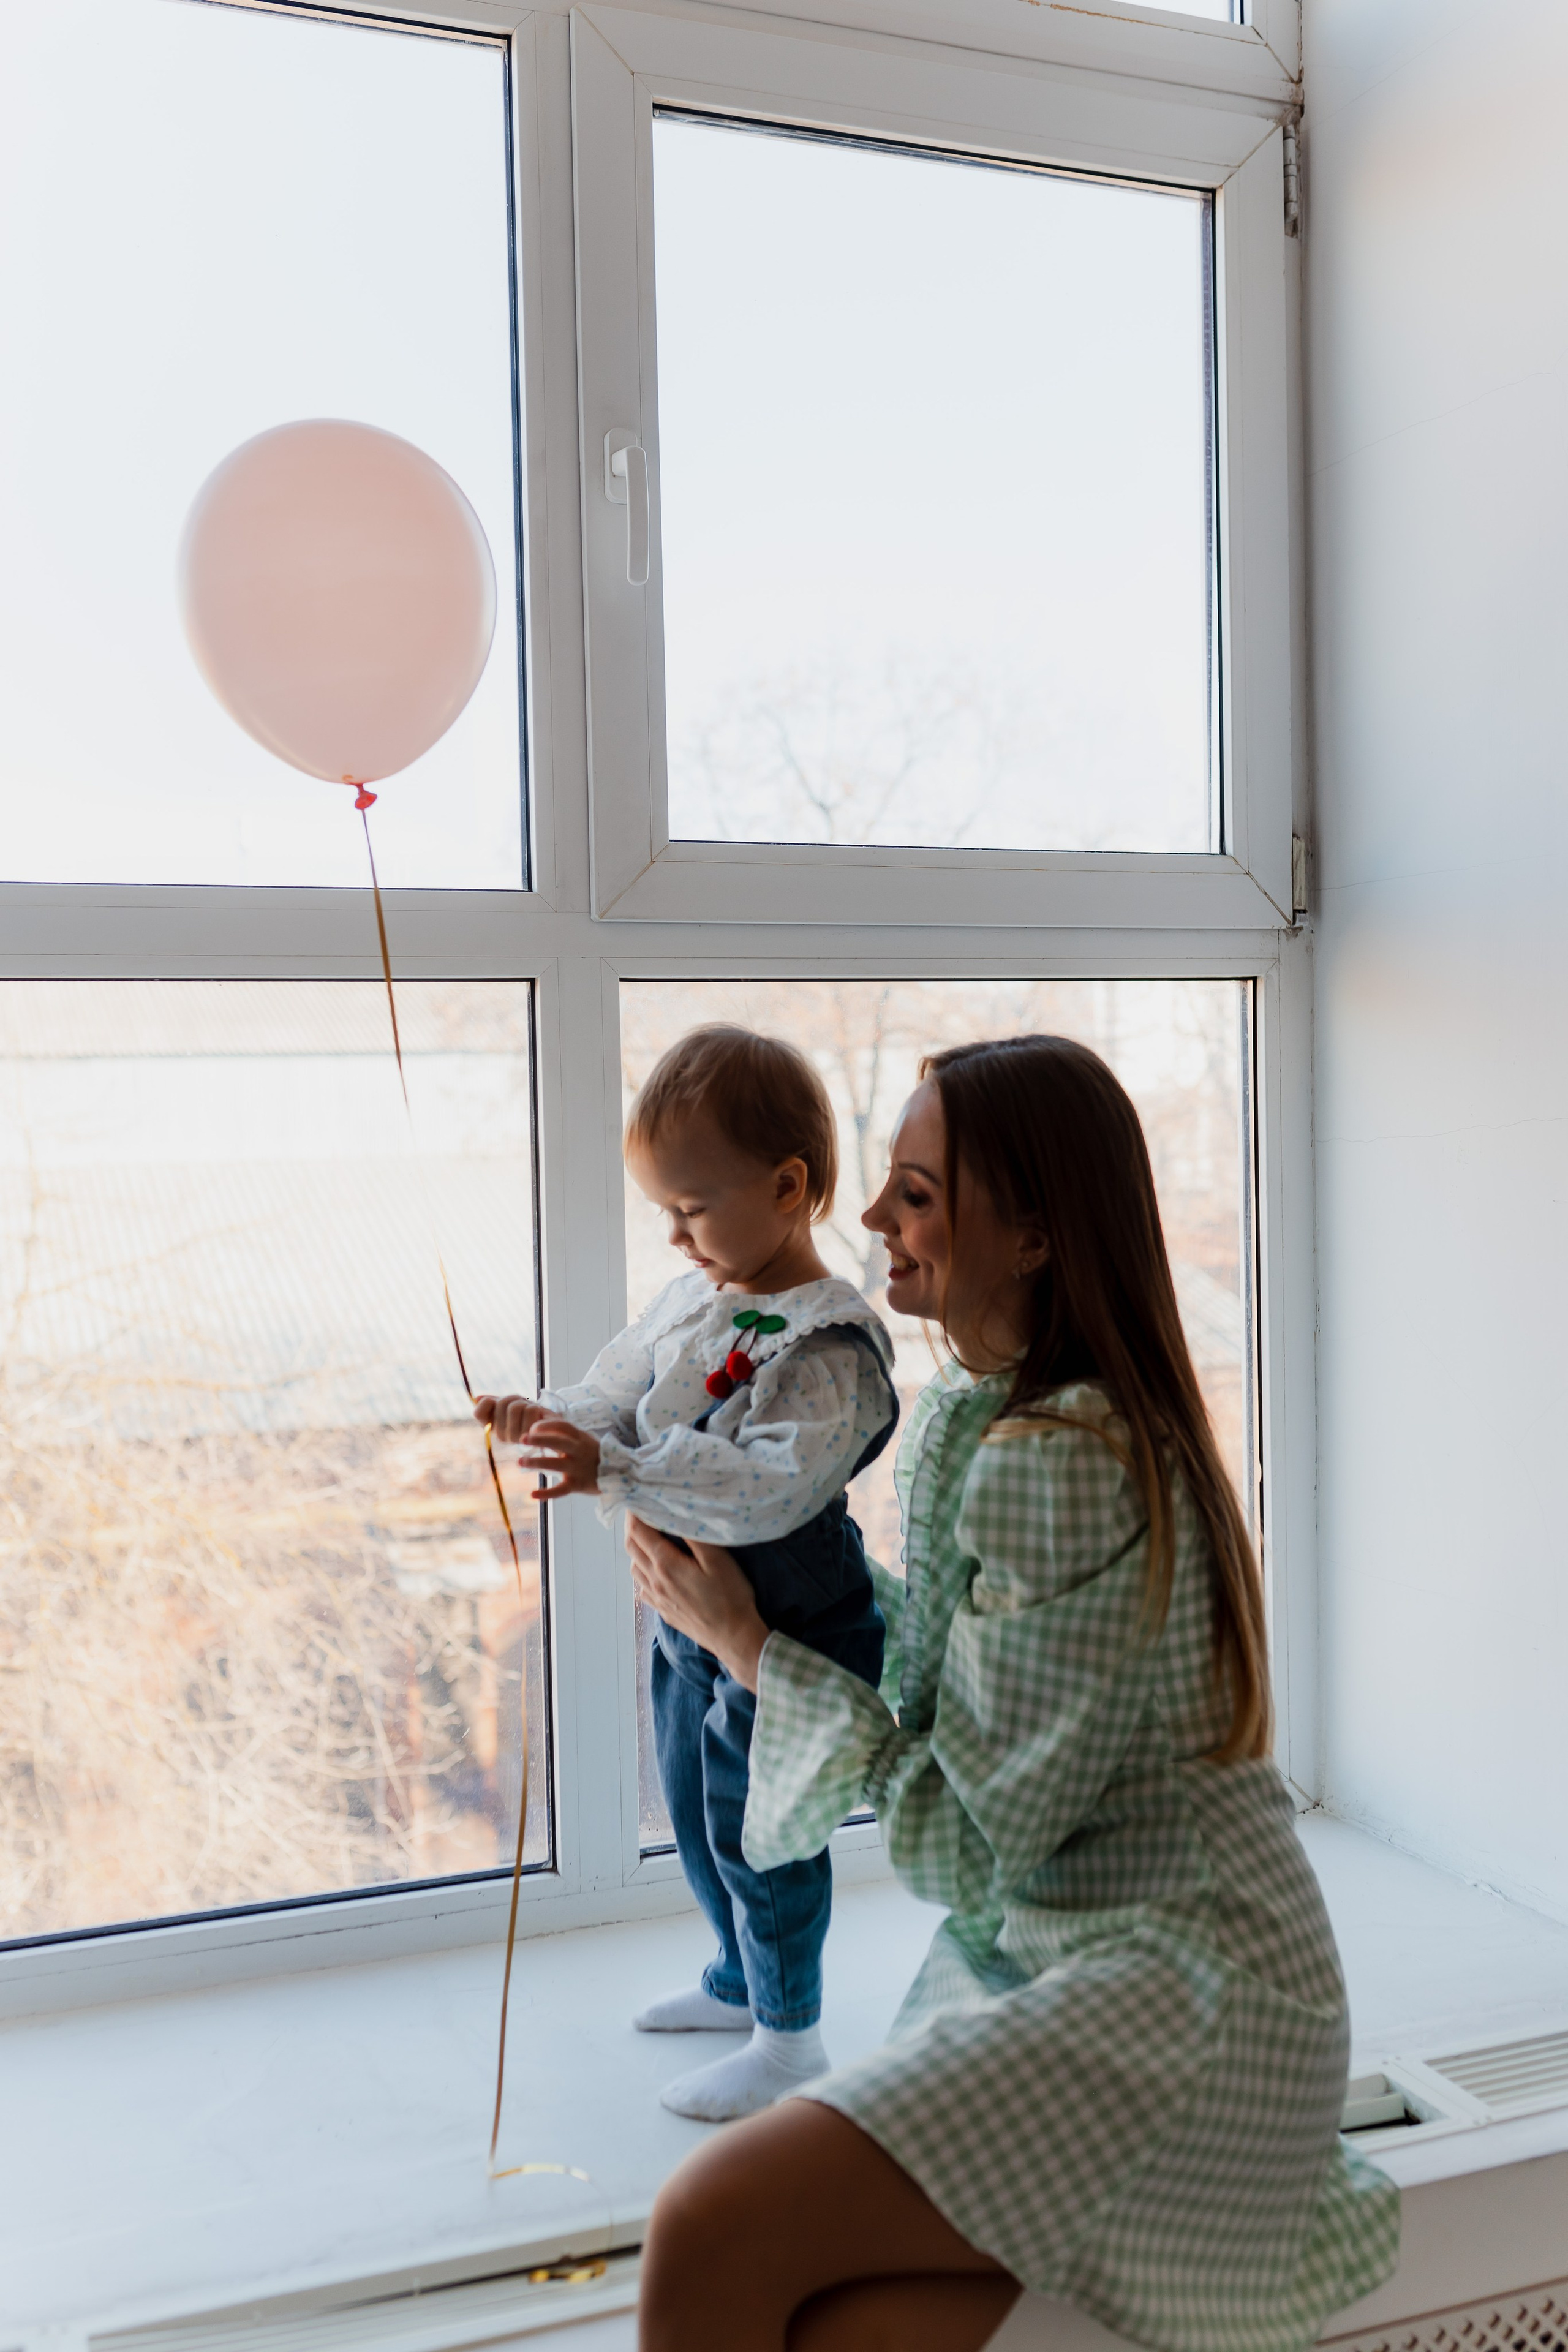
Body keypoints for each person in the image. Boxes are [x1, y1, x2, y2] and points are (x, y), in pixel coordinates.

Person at [624, 1035, 1400, 2352]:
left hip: (1183, 1998)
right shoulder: (989, 1420)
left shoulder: (1056, 1462)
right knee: (828, 2320)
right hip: (1087, 1964)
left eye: (915, 1194)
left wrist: (750, 1650)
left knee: (711, 2220)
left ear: (1033, 1237)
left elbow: (968, 1839)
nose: (869, 1219)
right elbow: (946, 1674)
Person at [476, 1025, 897, 2122]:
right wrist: (553, 1421)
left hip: (789, 1627)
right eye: (663, 1210)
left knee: (764, 1826)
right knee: (692, 1803)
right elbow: (618, 1388)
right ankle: (735, 1978)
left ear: (788, 1185)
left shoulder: (826, 1344)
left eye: (693, 1208)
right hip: (689, 1615)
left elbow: (766, 1491)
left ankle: (790, 2034)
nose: (673, 1236)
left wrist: (610, 1465)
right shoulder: (694, 1301)